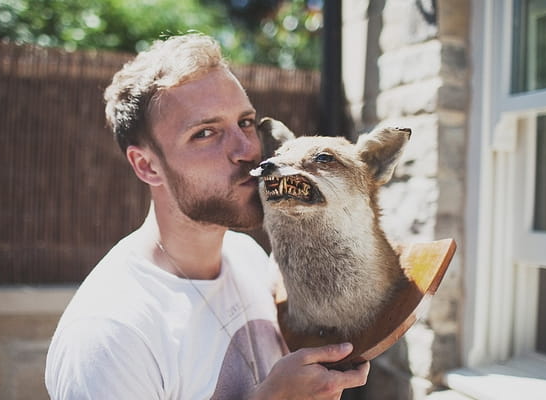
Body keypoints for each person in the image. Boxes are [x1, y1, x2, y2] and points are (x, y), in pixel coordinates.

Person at [45, 33, 370, 399]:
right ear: (147, 166)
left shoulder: (246, 256)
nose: (248, 150)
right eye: (205, 133)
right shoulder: (109, 335)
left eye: (245, 122)